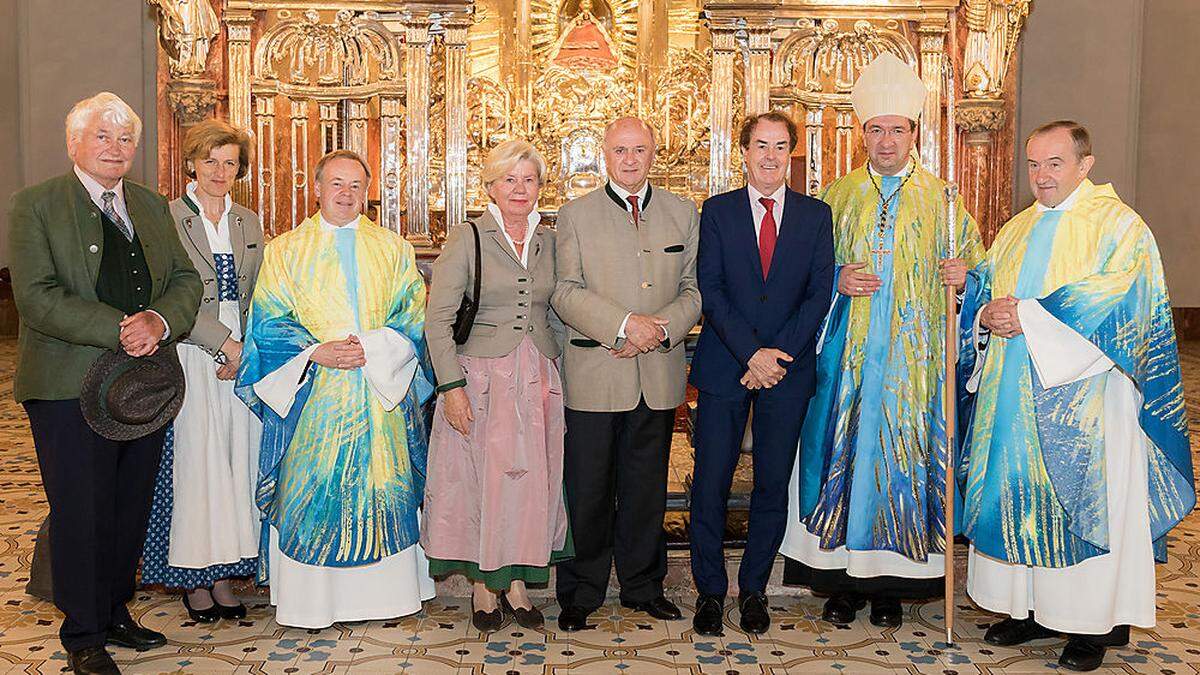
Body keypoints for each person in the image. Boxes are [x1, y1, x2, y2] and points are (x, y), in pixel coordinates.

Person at [962, 121, 1195, 671]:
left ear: (1085, 165)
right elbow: (992, 292)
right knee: (1018, 490)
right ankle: (1026, 608)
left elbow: (1122, 305)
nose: (1041, 176)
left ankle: (1093, 624)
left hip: (1088, 398)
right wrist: (983, 309)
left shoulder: (1119, 226)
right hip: (1014, 394)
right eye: (1034, 164)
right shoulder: (1016, 228)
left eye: (1055, 163)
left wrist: (1029, 316)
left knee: (1090, 501)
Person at [779, 52, 985, 628]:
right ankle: (841, 583)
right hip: (847, 360)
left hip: (913, 370)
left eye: (897, 129)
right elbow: (805, 274)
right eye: (876, 129)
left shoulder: (944, 200)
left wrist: (964, 277)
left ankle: (893, 586)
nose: (886, 139)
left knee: (901, 463)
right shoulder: (838, 198)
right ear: (861, 133)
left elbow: (980, 272)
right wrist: (836, 278)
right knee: (843, 455)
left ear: (914, 132)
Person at [8, 91, 202, 675]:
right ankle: (83, 631)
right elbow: (36, 297)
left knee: (128, 504)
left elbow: (186, 279)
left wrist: (161, 321)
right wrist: (121, 328)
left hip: (142, 385)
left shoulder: (149, 204)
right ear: (74, 143)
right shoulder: (35, 205)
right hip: (67, 387)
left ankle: (116, 609)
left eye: (125, 140)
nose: (116, 149)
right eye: (102, 136)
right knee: (81, 508)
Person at [235, 149, 435, 629]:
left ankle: (387, 597)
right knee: (312, 489)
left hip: (377, 393)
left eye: (355, 186)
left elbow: (411, 315)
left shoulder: (392, 248)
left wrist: (373, 347)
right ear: (317, 188)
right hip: (314, 397)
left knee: (384, 485)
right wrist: (313, 353)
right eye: (336, 184)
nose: (346, 194)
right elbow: (267, 323)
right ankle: (313, 602)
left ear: (367, 193)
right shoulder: (284, 250)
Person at [552, 117, 701, 631]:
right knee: (588, 489)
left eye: (640, 149)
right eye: (620, 150)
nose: (630, 159)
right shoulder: (574, 215)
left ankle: (643, 586)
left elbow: (693, 290)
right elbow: (564, 291)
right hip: (595, 372)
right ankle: (582, 590)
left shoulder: (683, 213)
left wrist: (658, 330)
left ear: (654, 153)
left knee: (645, 490)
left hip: (656, 375)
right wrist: (622, 326)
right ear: (604, 155)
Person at [687, 111, 834, 636]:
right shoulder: (717, 212)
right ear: (743, 153)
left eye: (779, 147)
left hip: (787, 372)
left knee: (772, 484)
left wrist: (774, 358)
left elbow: (819, 294)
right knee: (711, 483)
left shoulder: (816, 216)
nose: (770, 156)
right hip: (727, 365)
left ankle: (753, 591)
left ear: (790, 154)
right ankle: (709, 592)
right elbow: (711, 287)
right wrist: (752, 354)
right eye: (760, 146)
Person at [422, 139, 569, 632]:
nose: (520, 188)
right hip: (482, 378)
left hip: (538, 377)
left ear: (540, 187)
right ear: (490, 186)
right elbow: (438, 319)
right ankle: (486, 587)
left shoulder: (551, 239)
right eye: (509, 179)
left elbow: (558, 308)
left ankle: (520, 583)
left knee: (532, 482)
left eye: (529, 179)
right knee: (483, 483)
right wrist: (451, 387)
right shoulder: (468, 237)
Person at [140, 119, 264, 623]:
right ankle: (194, 576)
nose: (219, 171)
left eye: (230, 162)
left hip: (242, 352)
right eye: (210, 160)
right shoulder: (166, 219)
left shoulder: (249, 221)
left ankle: (224, 574)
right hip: (192, 349)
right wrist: (223, 344)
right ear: (191, 162)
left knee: (237, 460)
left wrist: (248, 348)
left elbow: (261, 291)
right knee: (199, 464)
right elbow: (168, 297)